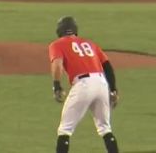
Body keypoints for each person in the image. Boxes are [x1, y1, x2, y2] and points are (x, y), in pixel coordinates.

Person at [49, 16, 120, 153]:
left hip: (83, 85)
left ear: (60, 30)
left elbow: (57, 64)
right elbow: (107, 65)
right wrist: (113, 90)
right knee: (105, 128)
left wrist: (57, 86)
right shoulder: (90, 43)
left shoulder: (57, 44)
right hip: (101, 83)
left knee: (65, 129)